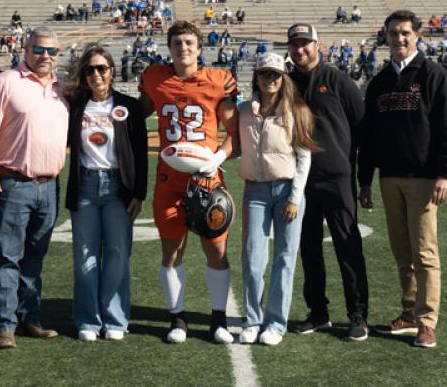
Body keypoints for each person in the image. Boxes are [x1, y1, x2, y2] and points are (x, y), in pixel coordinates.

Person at [139, 20, 239, 344]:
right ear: (169, 48)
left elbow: (235, 133)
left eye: (189, 43)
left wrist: (218, 159)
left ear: (199, 47)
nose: (183, 48)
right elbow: (134, 112)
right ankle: (177, 319)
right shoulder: (155, 78)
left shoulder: (218, 80)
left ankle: (219, 320)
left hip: (207, 179)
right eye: (177, 43)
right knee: (171, 253)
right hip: (169, 180)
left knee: (216, 251)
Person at [358, 10, 447, 348]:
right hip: (388, 178)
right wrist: (365, 180)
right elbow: (368, 138)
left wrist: (443, 174)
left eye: (405, 33)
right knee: (401, 252)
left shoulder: (434, 74)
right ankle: (409, 314)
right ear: (386, 36)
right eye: (393, 33)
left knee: (425, 253)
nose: (399, 38)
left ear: (417, 35)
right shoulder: (379, 83)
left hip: (424, 178)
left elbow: (445, 129)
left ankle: (427, 323)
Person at [0, 26, 69, 349]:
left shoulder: (62, 88)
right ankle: (5, 325)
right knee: (8, 256)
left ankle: (29, 318)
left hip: (50, 185)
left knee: (35, 257)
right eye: (39, 49)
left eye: (52, 51)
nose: (45, 56)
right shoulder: (6, 82)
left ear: (58, 55)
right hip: (14, 182)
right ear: (25, 49)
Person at [288, 23, 369, 341]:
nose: (300, 50)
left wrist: (362, 179)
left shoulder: (337, 79)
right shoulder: (287, 83)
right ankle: (318, 312)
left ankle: (358, 314)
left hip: (337, 178)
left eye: (305, 43)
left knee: (348, 247)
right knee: (308, 249)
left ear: (318, 45)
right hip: (300, 181)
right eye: (294, 45)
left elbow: (362, 128)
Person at [65, 44, 147, 342]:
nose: (96, 74)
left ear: (112, 71)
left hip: (118, 188)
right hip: (85, 186)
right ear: (83, 75)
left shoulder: (128, 105)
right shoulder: (75, 105)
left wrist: (139, 192)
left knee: (117, 254)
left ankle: (115, 317)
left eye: (102, 68)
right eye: (90, 69)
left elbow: (140, 151)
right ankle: (88, 319)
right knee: (85, 257)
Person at [239, 53, 318, 346]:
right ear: (256, 78)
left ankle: (275, 323)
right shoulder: (245, 110)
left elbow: (304, 157)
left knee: (285, 258)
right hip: (255, 191)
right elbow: (233, 142)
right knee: (252, 258)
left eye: (274, 75)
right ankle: (251, 319)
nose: (269, 80)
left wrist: (295, 197)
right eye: (264, 74)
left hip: (288, 191)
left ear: (283, 78)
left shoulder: (296, 109)